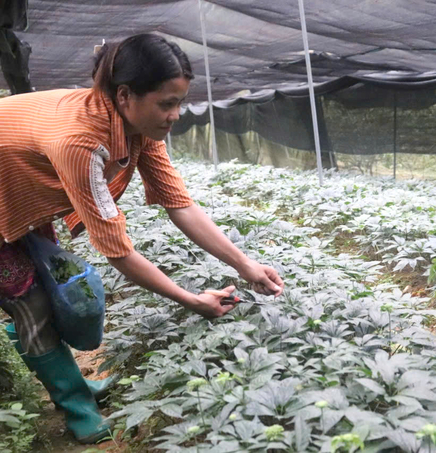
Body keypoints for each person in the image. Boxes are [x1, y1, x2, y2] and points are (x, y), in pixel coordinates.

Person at [0, 33, 284, 443]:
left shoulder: (136, 126)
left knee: (44, 286)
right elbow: (117, 251)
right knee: (32, 301)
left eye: (179, 102)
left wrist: (245, 265)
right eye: (166, 103)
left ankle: (60, 371)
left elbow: (178, 203)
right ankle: (75, 404)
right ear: (126, 95)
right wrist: (191, 301)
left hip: (17, 189)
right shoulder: (81, 141)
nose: (175, 115)